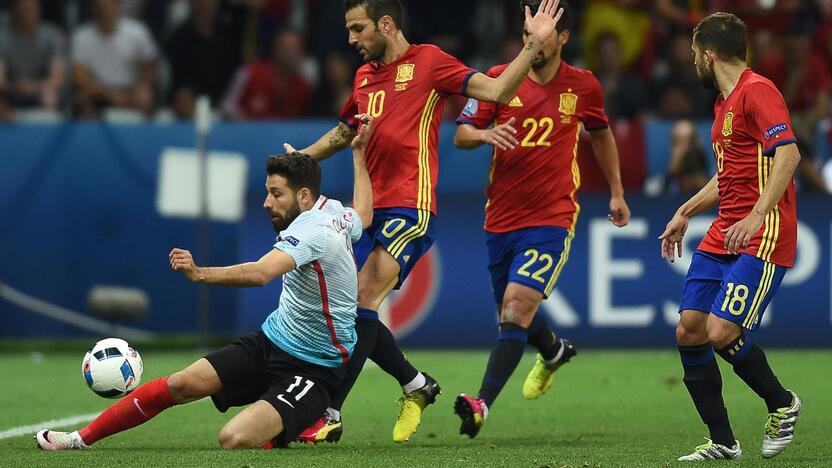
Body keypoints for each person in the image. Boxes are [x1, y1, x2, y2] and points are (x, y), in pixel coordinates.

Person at [285, 0, 565, 444]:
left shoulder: (430, 63)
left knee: (362, 294)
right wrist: (301, 158)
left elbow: (494, 93)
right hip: (365, 212)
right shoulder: (363, 77)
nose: (351, 40)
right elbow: (344, 132)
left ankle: (330, 411)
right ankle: (416, 385)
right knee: (352, 309)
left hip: (410, 208)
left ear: (387, 23)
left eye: (358, 29)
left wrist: (532, 45)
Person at [34, 115, 377, 451]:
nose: (266, 203)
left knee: (234, 438)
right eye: (267, 192)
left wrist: (200, 273)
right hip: (271, 342)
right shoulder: (333, 211)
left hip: (315, 368)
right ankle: (80, 439)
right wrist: (358, 154)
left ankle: (301, 415)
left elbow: (260, 274)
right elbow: (362, 214)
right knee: (181, 383)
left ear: (303, 197)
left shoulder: (313, 230)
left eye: (277, 194)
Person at [451, 0, 630, 438]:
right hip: (501, 217)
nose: (534, 40)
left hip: (552, 215)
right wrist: (483, 133)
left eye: (544, 32)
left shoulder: (583, 86)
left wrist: (617, 192)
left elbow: (601, 135)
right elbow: (460, 135)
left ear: (564, 37)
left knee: (516, 306)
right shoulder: (498, 79)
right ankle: (553, 351)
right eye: (529, 31)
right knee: (513, 314)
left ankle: (481, 405)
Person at [659, 12, 803, 462]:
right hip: (725, 231)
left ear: (709, 54)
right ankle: (723, 441)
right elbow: (728, 176)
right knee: (690, 330)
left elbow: (790, 153)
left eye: (694, 54)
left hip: (762, 233)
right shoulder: (724, 104)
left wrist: (759, 214)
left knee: (722, 330)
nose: (692, 61)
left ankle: (783, 403)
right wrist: (685, 211)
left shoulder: (757, 92)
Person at [71, 0, 158, 119]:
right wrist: (112, 96)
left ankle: (145, 135)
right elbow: (80, 79)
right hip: (98, 92)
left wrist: (142, 86)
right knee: (82, 99)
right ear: (93, 8)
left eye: (109, 5)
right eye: (100, 6)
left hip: (130, 90)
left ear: (118, 4)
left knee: (146, 96)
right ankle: (88, 136)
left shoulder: (137, 32)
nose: (105, 10)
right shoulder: (81, 37)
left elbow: (149, 71)